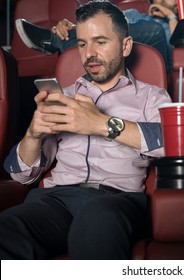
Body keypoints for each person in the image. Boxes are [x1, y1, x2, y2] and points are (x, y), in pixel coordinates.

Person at [0, 0, 171, 260]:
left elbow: (173, 142)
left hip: (116, 200)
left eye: (100, 42)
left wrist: (101, 124)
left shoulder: (151, 96)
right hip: (56, 202)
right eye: (82, 44)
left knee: (97, 218)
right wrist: (33, 134)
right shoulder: (64, 96)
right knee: (6, 227)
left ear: (125, 46)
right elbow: (20, 176)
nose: (89, 53)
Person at [15, 0, 178, 71]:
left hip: (158, 61)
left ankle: (54, 42)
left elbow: (177, 47)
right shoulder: (135, 14)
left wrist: (171, 16)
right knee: (114, 20)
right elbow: (101, 24)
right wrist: (72, 26)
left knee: (154, 29)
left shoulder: (171, 23)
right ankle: (62, 38)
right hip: (119, 56)